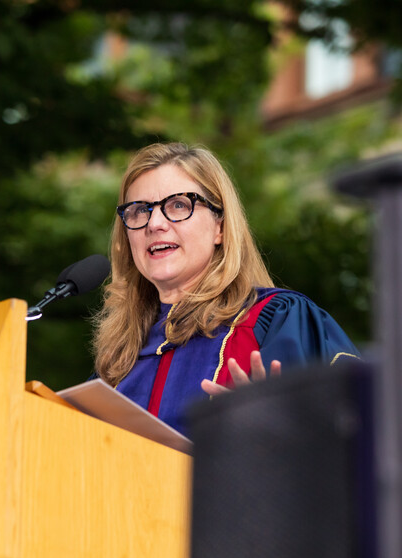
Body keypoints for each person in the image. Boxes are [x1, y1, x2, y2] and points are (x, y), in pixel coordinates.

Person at [92, 142, 359, 436]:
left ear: (220, 226)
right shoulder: (118, 359)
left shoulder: (277, 321)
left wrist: (275, 427)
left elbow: (359, 437)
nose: (154, 223)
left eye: (179, 205)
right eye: (140, 210)